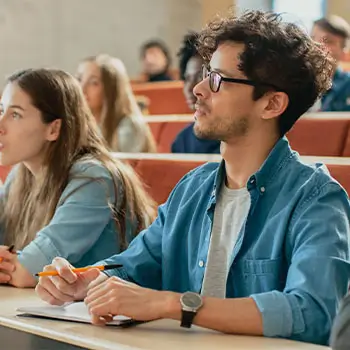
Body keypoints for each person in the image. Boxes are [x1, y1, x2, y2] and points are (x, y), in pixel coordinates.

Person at [36, 10, 349, 345]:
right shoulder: (193, 187)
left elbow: (315, 311)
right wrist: (87, 280)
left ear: (272, 104)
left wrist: (175, 305)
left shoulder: (316, 198)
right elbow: (136, 264)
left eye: (217, 80)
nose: (198, 89)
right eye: (205, 74)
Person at [0, 68, 156, 288]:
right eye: (1, 111)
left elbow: (30, 270)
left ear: (53, 129)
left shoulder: (95, 178)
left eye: (15, 114)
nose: (1, 125)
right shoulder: (20, 175)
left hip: (107, 316)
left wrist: (18, 265)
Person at [76, 54, 157, 152]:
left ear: (111, 90)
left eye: (94, 82)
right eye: (79, 79)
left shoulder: (128, 128)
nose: (82, 88)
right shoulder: (81, 125)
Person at [171, 32, 221, 154]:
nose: (191, 88)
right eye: (187, 79)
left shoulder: (236, 138)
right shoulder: (182, 140)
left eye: (200, 77)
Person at [311, 15, 350, 111]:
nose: (316, 46)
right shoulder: (295, 83)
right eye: (312, 38)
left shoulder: (347, 85)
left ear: (344, 52)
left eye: (327, 41)